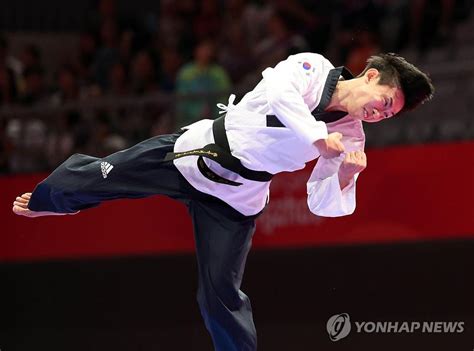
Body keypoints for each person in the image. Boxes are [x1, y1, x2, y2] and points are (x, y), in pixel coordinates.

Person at [12, 52, 434, 351]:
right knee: (105, 174)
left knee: (221, 294)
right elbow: (280, 94)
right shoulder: (311, 67)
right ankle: (54, 198)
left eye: (389, 115)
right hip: (194, 154)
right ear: (373, 76)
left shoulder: (354, 139)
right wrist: (316, 137)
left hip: (235, 200)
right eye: (385, 103)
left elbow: (320, 205)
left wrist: (344, 174)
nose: (380, 115)